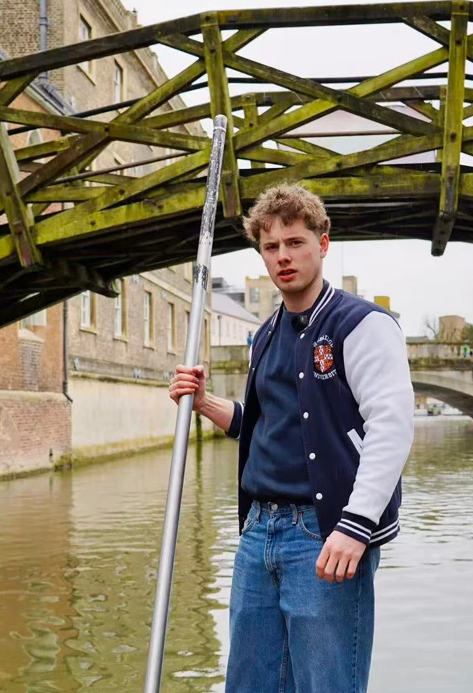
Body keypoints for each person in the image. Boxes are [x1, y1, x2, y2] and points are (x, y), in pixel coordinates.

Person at [169, 183, 414, 693]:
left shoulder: (363, 325)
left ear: (323, 243)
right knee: (249, 683)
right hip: (258, 532)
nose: (283, 256)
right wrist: (204, 402)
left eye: (295, 242)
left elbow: (391, 427)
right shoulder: (263, 335)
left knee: (326, 684)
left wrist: (355, 527)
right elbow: (268, 426)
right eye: (271, 246)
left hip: (324, 534)